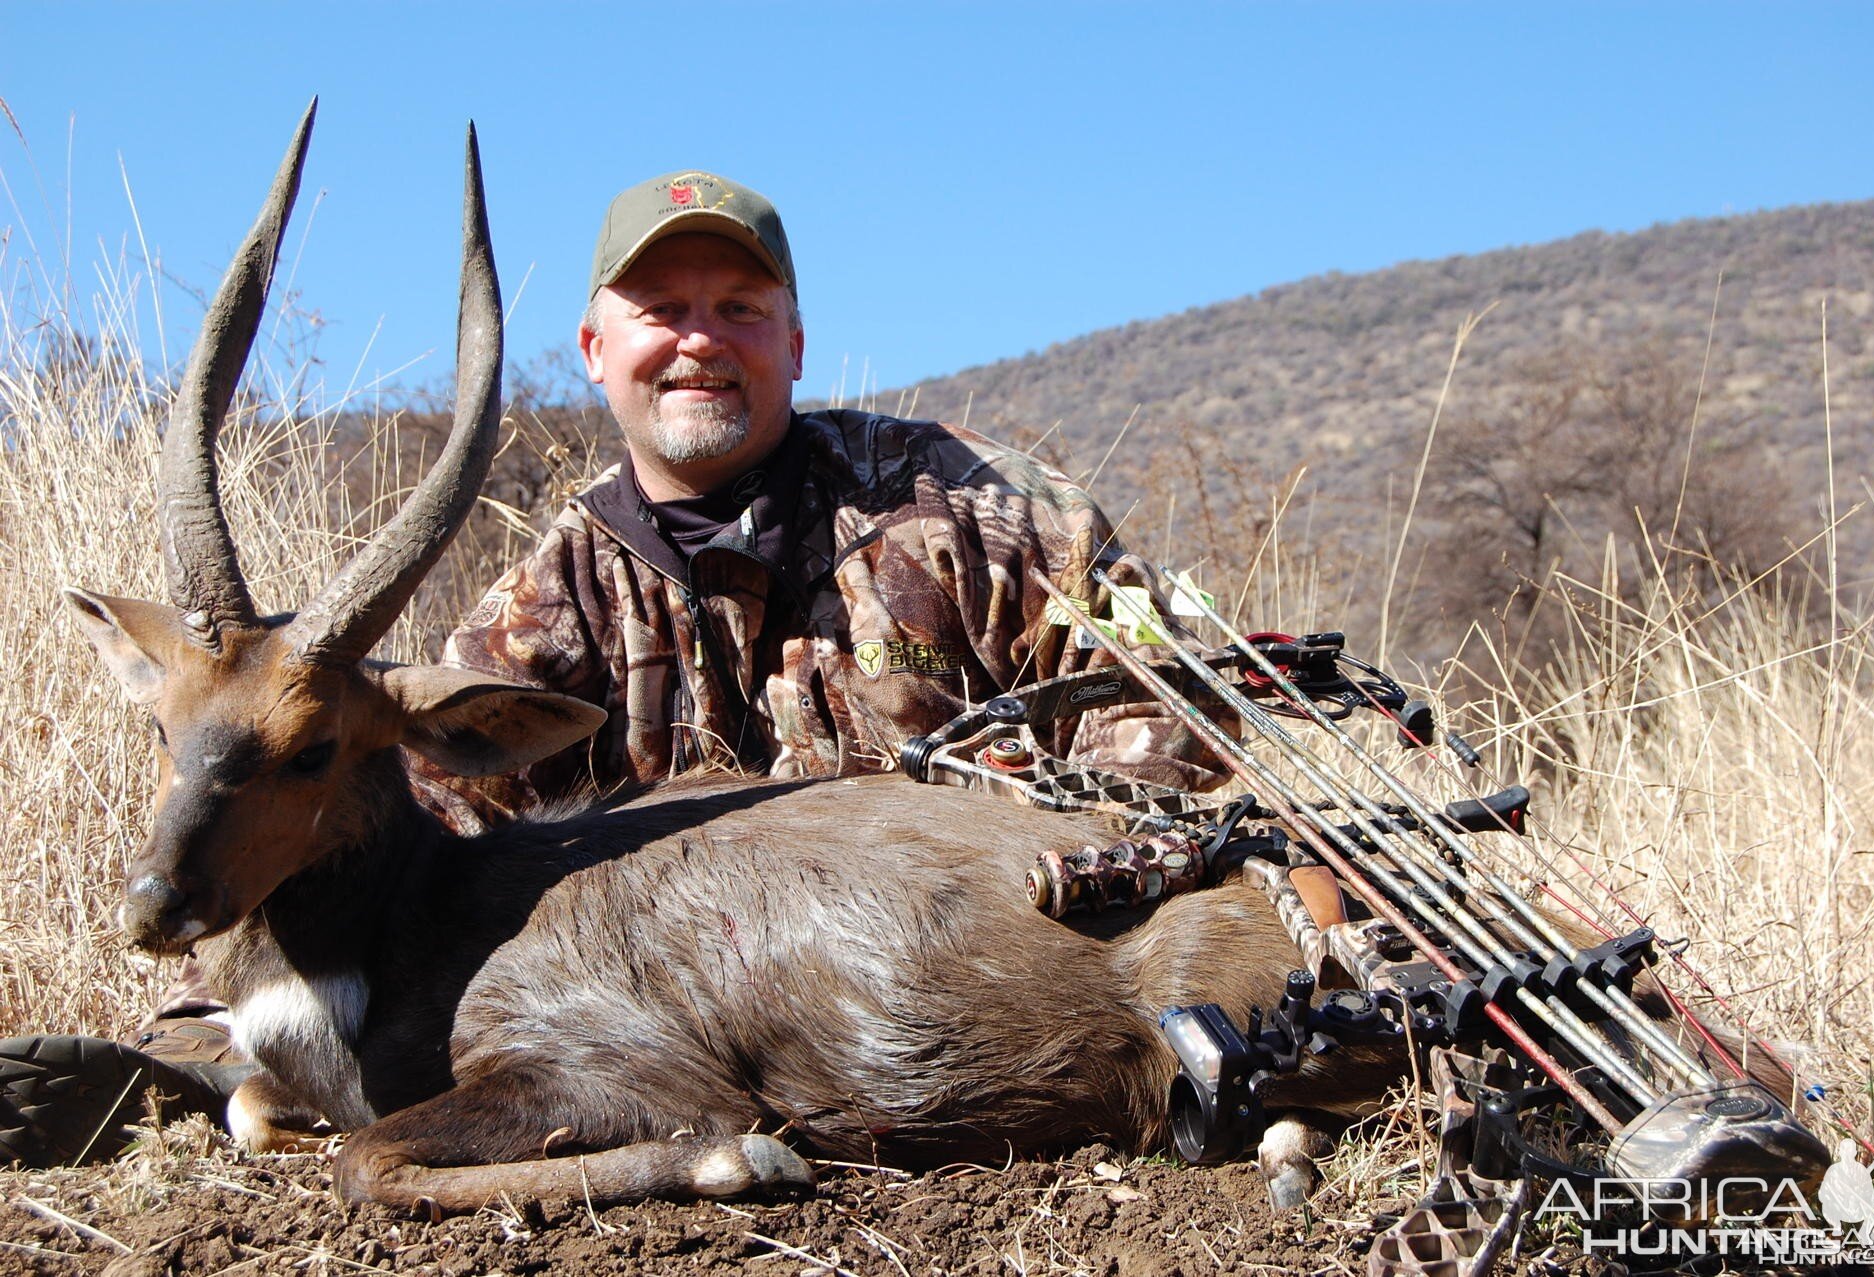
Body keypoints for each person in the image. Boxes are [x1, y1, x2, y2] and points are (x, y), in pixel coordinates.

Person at [0, 171, 1220, 1167]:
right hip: (727, 1012)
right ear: (596, 347)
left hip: (996, 952)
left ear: (797, 340)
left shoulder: (980, 510)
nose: (701, 339)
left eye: (740, 307)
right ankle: (196, 1069)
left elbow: (1176, 731)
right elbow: (367, 844)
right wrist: (231, 1029)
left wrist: (1043, 886)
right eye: (661, 311)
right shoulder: (557, 592)